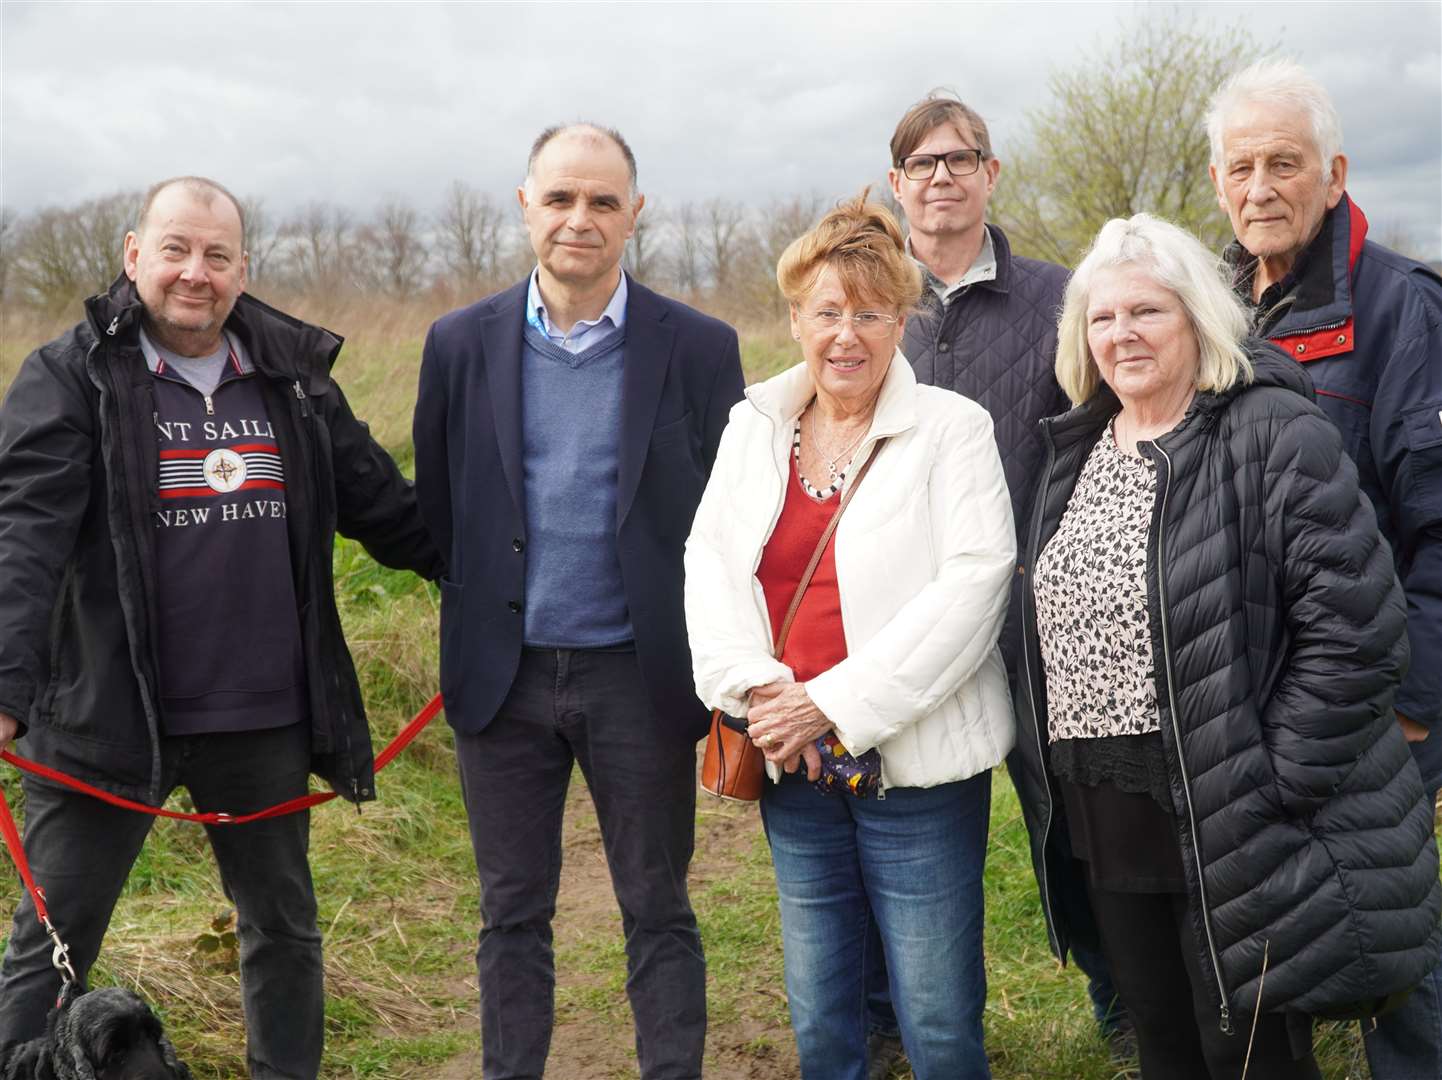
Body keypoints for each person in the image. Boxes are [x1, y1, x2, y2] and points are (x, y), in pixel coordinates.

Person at [0, 176, 442, 1079]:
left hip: (262, 720)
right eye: (174, 250)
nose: (193, 273)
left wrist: (504, 575)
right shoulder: (68, 375)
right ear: (135, 256)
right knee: (48, 946)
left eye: (215, 255)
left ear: (243, 268)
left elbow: (384, 509)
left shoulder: (294, 377)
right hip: (102, 721)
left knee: (281, 928)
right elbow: (24, 540)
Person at [1009, 211, 1442, 1080]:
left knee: (1247, 1055)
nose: (1122, 333)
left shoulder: (1271, 430)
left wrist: (1275, 779)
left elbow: (1356, 631)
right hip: (1106, 810)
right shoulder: (1078, 446)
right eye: (1102, 316)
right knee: (1164, 1046)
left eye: (1147, 312)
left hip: (1228, 813)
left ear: (1198, 318)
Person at [412, 124, 744, 1080]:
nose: (580, 219)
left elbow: (727, 512)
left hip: (638, 675)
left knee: (656, 902)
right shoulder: (457, 345)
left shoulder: (699, 347)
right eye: (560, 199)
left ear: (635, 214)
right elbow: (443, 503)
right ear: (525, 207)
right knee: (511, 910)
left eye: (603, 201)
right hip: (501, 680)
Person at [685, 193, 1016, 1080]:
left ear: (901, 321)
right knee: (821, 1009)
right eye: (827, 311)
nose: (846, 334)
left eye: (869, 312)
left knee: (939, 1020)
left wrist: (826, 701)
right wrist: (760, 695)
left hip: (918, 773)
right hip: (794, 767)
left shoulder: (953, 429)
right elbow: (709, 564)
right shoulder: (753, 426)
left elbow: (975, 585)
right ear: (795, 318)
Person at [1204, 59, 1442, 1078]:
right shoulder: (1204, 306)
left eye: (1283, 163)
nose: (1258, 187)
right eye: (1239, 166)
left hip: (1369, 694)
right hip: (1246, 695)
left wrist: (1413, 703)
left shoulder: (1400, 312)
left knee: (1393, 930)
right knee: (1267, 918)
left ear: (1334, 173)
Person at [882, 89, 1129, 1070]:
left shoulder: (1063, 302)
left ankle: (1126, 1001)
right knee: (893, 825)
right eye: (920, 162)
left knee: (1080, 820)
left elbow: (1111, 449)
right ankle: (890, 1018)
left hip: (1041, 622)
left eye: (960, 158)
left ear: (990, 176)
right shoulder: (868, 303)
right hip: (905, 620)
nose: (940, 176)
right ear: (895, 183)